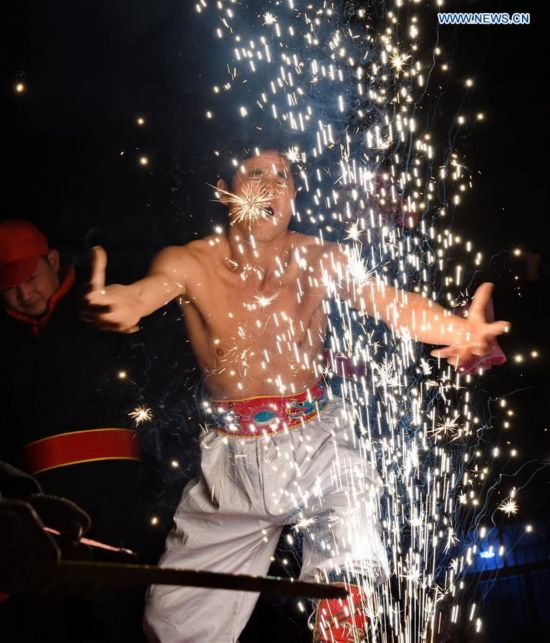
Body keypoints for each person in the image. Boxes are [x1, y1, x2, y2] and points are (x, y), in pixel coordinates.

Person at [82, 150, 510, 642]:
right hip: (234, 464)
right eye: (255, 173)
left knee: (349, 563)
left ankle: (344, 625)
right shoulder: (189, 262)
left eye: (282, 176)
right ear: (225, 190)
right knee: (173, 620)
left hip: (318, 443)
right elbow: (141, 294)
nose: (270, 186)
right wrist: (118, 304)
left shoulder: (320, 258)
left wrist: (461, 328)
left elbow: (393, 304)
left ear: (294, 196)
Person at [0, 219, 160, 642]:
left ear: (53, 260)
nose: (24, 293)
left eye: (31, 278)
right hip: (44, 511)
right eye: (9, 286)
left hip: (120, 500)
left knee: (126, 615)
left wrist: (128, 313)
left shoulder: (97, 301)